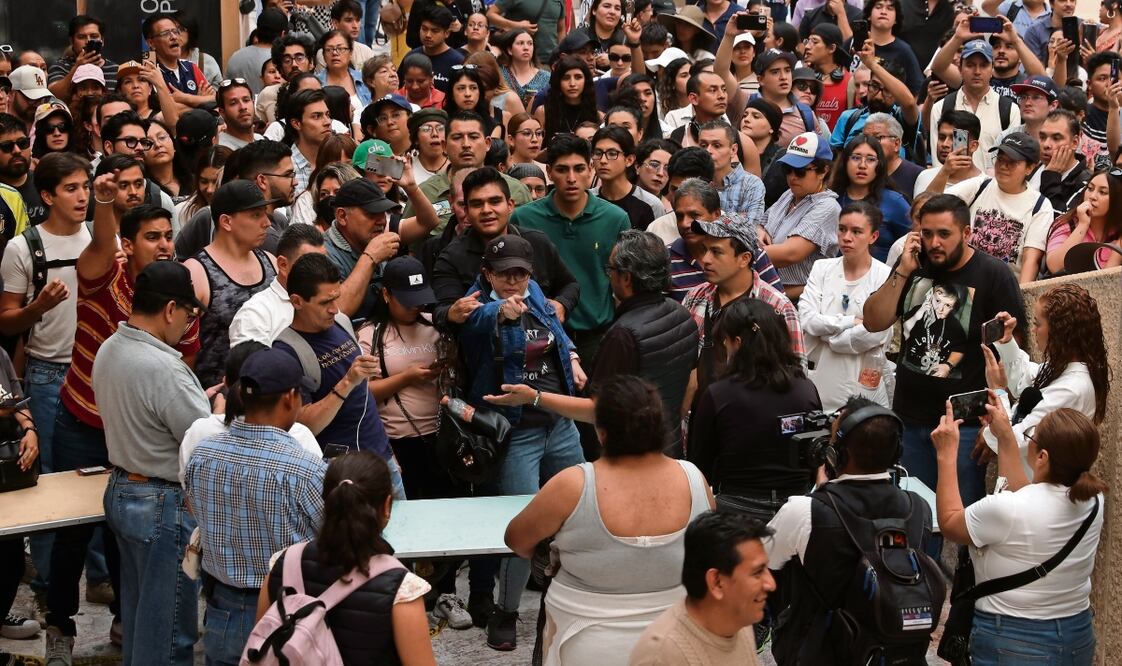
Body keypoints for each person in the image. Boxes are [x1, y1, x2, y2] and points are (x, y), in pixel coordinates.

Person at [503, 375, 714, 664]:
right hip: (676, 640)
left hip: (585, 642)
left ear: (602, 433)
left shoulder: (573, 485)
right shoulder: (693, 479)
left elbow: (517, 540)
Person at [862, 194, 1027, 551]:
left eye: (944, 234)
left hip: (965, 425)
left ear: (967, 232)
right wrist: (904, 269)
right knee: (916, 524)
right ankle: (922, 595)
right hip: (910, 416)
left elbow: (1015, 353)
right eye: (927, 233)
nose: (934, 243)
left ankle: (964, 599)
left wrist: (997, 422)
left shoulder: (993, 274)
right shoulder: (914, 266)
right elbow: (874, 319)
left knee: (967, 526)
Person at [451, 233, 584, 650]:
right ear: (487, 273)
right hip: (516, 432)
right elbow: (472, 330)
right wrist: (499, 314)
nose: (514, 281)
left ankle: (575, 601)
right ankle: (505, 612)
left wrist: (574, 357)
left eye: (520, 273)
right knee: (521, 530)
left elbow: (555, 331)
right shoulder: (476, 305)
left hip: (559, 421)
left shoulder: (535, 291)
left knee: (580, 512)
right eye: (504, 273)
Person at [94, 260, 210, 666]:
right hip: (160, 505)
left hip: (124, 491)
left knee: (142, 623)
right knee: (168, 638)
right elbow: (202, 441)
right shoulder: (164, 368)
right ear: (169, 309)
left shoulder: (110, 347)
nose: (187, 323)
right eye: (188, 314)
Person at [766, 397, 941, 665]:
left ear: (837, 453)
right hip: (894, 656)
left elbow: (763, 560)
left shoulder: (805, 510)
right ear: (896, 453)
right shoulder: (919, 509)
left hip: (821, 652)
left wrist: (820, 493)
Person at [931, 405, 1105, 665]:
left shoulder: (1007, 510)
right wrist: (1005, 436)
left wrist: (946, 454)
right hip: (1076, 634)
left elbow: (949, 522)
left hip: (1015, 639)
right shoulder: (1094, 500)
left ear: (1042, 456)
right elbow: (1026, 497)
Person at [185, 347, 326, 666]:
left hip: (223, 615)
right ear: (291, 397)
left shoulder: (203, 455)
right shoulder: (305, 470)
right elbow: (334, 537)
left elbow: (193, 509)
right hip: (290, 617)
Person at [0, 152, 94, 626]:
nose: (82, 196)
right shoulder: (25, 247)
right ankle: (47, 586)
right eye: (72, 188)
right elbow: (7, 318)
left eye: (85, 186)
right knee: (49, 477)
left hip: (96, 371)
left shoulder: (99, 237)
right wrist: (38, 307)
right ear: (49, 195)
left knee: (95, 473)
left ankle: (97, 575)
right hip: (47, 373)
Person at [258, 452, 436, 665]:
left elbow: (261, 647)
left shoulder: (285, 563)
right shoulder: (402, 590)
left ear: (327, 502)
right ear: (387, 506)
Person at [274, 253, 403, 495]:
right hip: (344, 475)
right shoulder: (286, 352)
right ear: (297, 301)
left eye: (336, 298)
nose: (334, 309)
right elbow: (304, 425)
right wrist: (347, 382)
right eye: (325, 303)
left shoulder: (342, 322)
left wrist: (388, 450)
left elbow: (363, 400)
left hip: (381, 458)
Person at [689, 297, 821, 522]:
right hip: (796, 510)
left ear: (737, 343)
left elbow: (699, 465)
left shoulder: (718, 395)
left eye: (726, 341)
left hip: (734, 509)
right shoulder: (806, 389)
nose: (724, 346)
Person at [511, 133, 630, 361]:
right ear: (549, 172)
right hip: (538, 331)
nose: (572, 177)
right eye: (563, 169)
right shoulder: (524, 217)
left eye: (579, 169)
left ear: (591, 169)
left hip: (597, 334)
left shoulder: (615, 218)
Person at [978, 285, 1110, 481]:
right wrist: (1006, 342)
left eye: (1037, 324)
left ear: (1059, 331)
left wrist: (999, 395)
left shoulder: (1073, 388)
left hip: (1040, 491)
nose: (1034, 330)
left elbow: (1021, 440)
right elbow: (1024, 382)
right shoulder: (1064, 368)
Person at [680, 215, 804, 419]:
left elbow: (796, 378)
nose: (705, 259)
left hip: (748, 426)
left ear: (744, 258)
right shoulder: (696, 297)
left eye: (716, 252)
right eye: (705, 250)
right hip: (696, 424)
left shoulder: (777, 307)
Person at [431, 166, 578, 329]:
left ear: (510, 205)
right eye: (477, 204)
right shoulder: (452, 256)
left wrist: (562, 305)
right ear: (466, 211)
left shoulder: (537, 242)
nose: (486, 210)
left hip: (543, 347)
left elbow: (570, 285)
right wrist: (452, 313)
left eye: (494, 201)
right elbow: (440, 313)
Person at [628, 511, 774, 666]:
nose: (771, 584)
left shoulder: (740, 620)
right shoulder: (663, 656)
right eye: (757, 572)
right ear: (717, 582)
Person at [183, 180, 279, 390]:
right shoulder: (196, 272)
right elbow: (183, 354)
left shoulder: (270, 262)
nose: (267, 223)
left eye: (265, 213)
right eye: (256, 215)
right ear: (226, 221)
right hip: (219, 401)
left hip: (270, 393)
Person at [799, 200, 892, 411]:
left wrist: (830, 338)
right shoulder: (821, 268)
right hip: (818, 378)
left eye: (857, 231)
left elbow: (875, 333)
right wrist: (850, 321)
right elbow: (807, 319)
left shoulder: (885, 276)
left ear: (873, 236)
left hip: (861, 383)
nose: (847, 237)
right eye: (842, 229)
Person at [932, 132, 1053, 283]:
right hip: (961, 280)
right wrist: (945, 171)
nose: (1003, 166)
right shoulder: (980, 185)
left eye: (1012, 162)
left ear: (1029, 168)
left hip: (1002, 288)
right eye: (1000, 159)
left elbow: (1031, 260)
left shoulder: (1040, 206)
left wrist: (1020, 301)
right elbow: (931, 205)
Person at [761, 131, 841, 300]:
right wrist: (759, 232)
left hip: (799, 301)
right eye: (787, 169)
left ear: (823, 171)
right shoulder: (788, 194)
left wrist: (741, 252)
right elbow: (760, 224)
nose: (792, 177)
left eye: (800, 171)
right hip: (769, 291)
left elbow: (790, 253)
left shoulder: (827, 207)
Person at [928, 38, 1021, 172]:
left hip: (991, 189)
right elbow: (938, 163)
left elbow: (1010, 161)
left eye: (983, 65)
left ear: (992, 69)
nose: (977, 71)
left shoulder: (1010, 110)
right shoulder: (941, 108)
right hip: (951, 189)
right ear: (960, 68)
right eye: (970, 65)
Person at [829, 134, 911, 261]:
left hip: (883, 278)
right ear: (845, 162)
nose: (862, 165)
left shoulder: (894, 202)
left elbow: (912, 241)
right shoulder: (832, 199)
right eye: (856, 158)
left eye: (871, 159)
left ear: (880, 165)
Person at [1046, 168, 1122, 273]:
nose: (1092, 196)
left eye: (1103, 192)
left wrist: (1117, 250)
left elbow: (1109, 283)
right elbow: (1054, 267)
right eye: (1090, 188)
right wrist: (1082, 225)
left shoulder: (1118, 233)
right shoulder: (1067, 224)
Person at [590, 126, 663, 231]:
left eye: (612, 154)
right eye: (598, 153)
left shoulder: (651, 205)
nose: (603, 160)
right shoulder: (586, 199)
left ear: (629, 160)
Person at [142, 13, 214, 108]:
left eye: (176, 31)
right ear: (151, 43)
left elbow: (214, 99)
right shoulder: (150, 72)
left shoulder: (191, 67)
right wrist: (199, 102)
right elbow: (169, 110)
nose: (174, 37)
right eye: (166, 34)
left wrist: (186, 98)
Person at [45, 15, 119, 102]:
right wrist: (77, 67)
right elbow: (54, 96)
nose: (88, 41)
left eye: (94, 36)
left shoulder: (116, 70)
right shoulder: (60, 66)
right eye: (81, 37)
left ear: (102, 40)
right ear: (72, 41)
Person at [1034, 109, 1092, 215]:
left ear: (1075, 142)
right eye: (1042, 137)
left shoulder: (1087, 183)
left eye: (1056, 138)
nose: (1046, 144)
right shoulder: (1031, 167)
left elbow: (1059, 223)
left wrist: (1051, 176)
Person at [913, 110, 984, 196]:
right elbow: (922, 208)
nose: (945, 144)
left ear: (973, 146)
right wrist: (945, 172)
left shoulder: (984, 185)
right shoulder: (925, 177)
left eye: (954, 138)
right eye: (941, 137)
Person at [537, 57, 601, 146]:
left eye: (578, 77)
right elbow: (532, 156)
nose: (572, 84)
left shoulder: (598, 115)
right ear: (558, 82)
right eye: (566, 78)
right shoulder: (543, 112)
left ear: (585, 80)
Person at [487, 0, 565, 70]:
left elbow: (561, 30)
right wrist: (517, 26)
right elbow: (490, 15)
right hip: (518, 62)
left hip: (550, 63)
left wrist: (560, 56)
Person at [225, 9, 288, 94]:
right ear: (283, 34)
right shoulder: (284, 59)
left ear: (257, 31)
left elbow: (225, 89)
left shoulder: (236, 57)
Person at [863, 112, 923, 201]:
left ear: (896, 144)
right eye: (865, 137)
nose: (869, 143)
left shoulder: (919, 175)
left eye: (877, 137)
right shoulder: (860, 172)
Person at [318, 29, 373, 114]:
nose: (335, 53)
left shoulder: (364, 79)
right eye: (329, 49)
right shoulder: (316, 84)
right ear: (324, 55)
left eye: (340, 48)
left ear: (350, 53)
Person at [498, 29, 551, 104]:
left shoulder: (546, 77)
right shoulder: (499, 74)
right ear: (510, 50)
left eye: (530, 43)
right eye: (520, 43)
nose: (526, 48)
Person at [217, 78, 264, 150]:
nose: (242, 107)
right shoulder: (222, 151)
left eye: (246, 100)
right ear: (222, 112)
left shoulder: (261, 140)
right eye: (233, 103)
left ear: (253, 103)